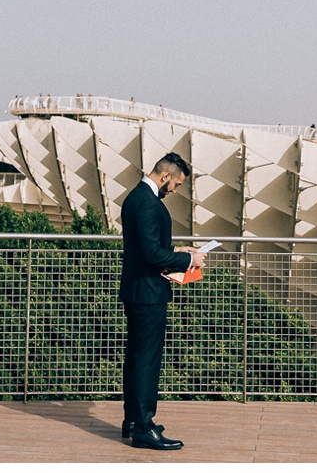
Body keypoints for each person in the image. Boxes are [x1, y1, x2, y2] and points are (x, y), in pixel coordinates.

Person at [118, 152, 205, 450]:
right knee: (147, 360)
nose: (175, 190)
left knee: (136, 358)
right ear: (165, 176)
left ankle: (133, 420)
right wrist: (188, 258)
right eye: (177, 184)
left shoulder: (136, 197)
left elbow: (149, 244)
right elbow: (151, 254)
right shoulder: (146, 202)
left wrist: (176, 248)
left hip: (137, 290)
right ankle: (144, 426)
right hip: (148, 293)